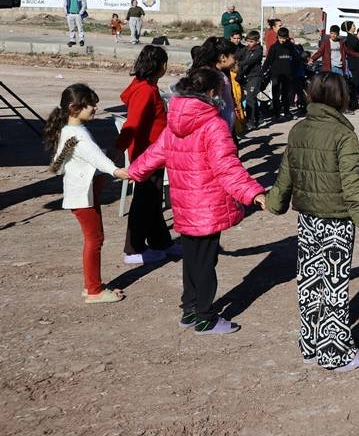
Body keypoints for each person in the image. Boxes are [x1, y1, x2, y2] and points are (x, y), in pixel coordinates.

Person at [265, 72, 359, 371]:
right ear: (340, 97)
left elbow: (285, 175)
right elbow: (355, 188)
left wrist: (274, 203)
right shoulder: (343, 134)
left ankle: (310, 343)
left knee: (309, 283)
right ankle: (335, 353)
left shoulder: (298, 130)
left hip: (308, 220)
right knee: (334, 287)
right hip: (336, 222)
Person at [126, 67, 267, 334]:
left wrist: (134, 171)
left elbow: (156, 151)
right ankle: (205, 317)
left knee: (192, 260)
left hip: (185, 206)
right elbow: (227, 167)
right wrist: (253, 193)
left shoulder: (176, 120)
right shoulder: (213, 125)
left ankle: (189, 310)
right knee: (205, 263)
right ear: (212, 92)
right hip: (207, 207)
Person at [46, 83, 131, 304]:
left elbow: (57, 165)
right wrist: (116, 171)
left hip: (84, 192)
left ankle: (92, 285)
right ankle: (93, 290)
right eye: (91, 104)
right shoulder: (77, 134)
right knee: (95, 239)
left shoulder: (69, 131)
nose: (95, 107)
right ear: (75, 107)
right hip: (82, 195)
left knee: (94, 239)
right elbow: (95, 157)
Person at [117, 46, 178, 264]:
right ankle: (133, 249)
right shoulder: (145, 91)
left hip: (153, 152)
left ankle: (161, 241)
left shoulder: (145, 86)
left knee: (152, 199)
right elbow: (132, 123)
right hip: (147, 154)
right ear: (160, 66)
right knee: (144, 200)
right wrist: (117, 151)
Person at [193, 37, 238, 132]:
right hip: (216, 131)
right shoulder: (210, 76)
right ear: (223, 57)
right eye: (234, 57)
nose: (235, 61)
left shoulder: (217, 72)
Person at [264, 27, 301, 120]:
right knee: (276, 94)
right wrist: (262, 71)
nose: (282, 40)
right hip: (276, 75)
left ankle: (287, 112)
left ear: (287, 37)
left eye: (284, 38)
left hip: (287, 75)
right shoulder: (274, 47)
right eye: (280, 38)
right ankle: (276, 113)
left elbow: (297, 59)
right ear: (278, 37)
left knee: (286, 94)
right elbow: (268, 61)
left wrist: (294, 71)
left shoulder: (291, 47)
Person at [237, 31, 267, 127]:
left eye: (251, 41)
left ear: (257, 41)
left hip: (256, 77)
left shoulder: (258, 50)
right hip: (247, 77)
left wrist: (239, 64)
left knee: (250, 97)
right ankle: (259, 118)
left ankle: (251, 120)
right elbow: (237, 56)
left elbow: (250, 61)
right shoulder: (245, 49)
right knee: (251, 98)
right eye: (247, 41)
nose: (249, 43)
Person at [340, 21, 359, 109]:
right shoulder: (349, 38)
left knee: (357, 82)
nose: (354, 27)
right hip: (354, 63)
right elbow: (354, 47)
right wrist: (358, 35)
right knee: (354, 83)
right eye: (353, 26)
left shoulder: (352, 37)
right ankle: (352, 103)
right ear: (349, 28)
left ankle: (354, 102)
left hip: (357, 62)